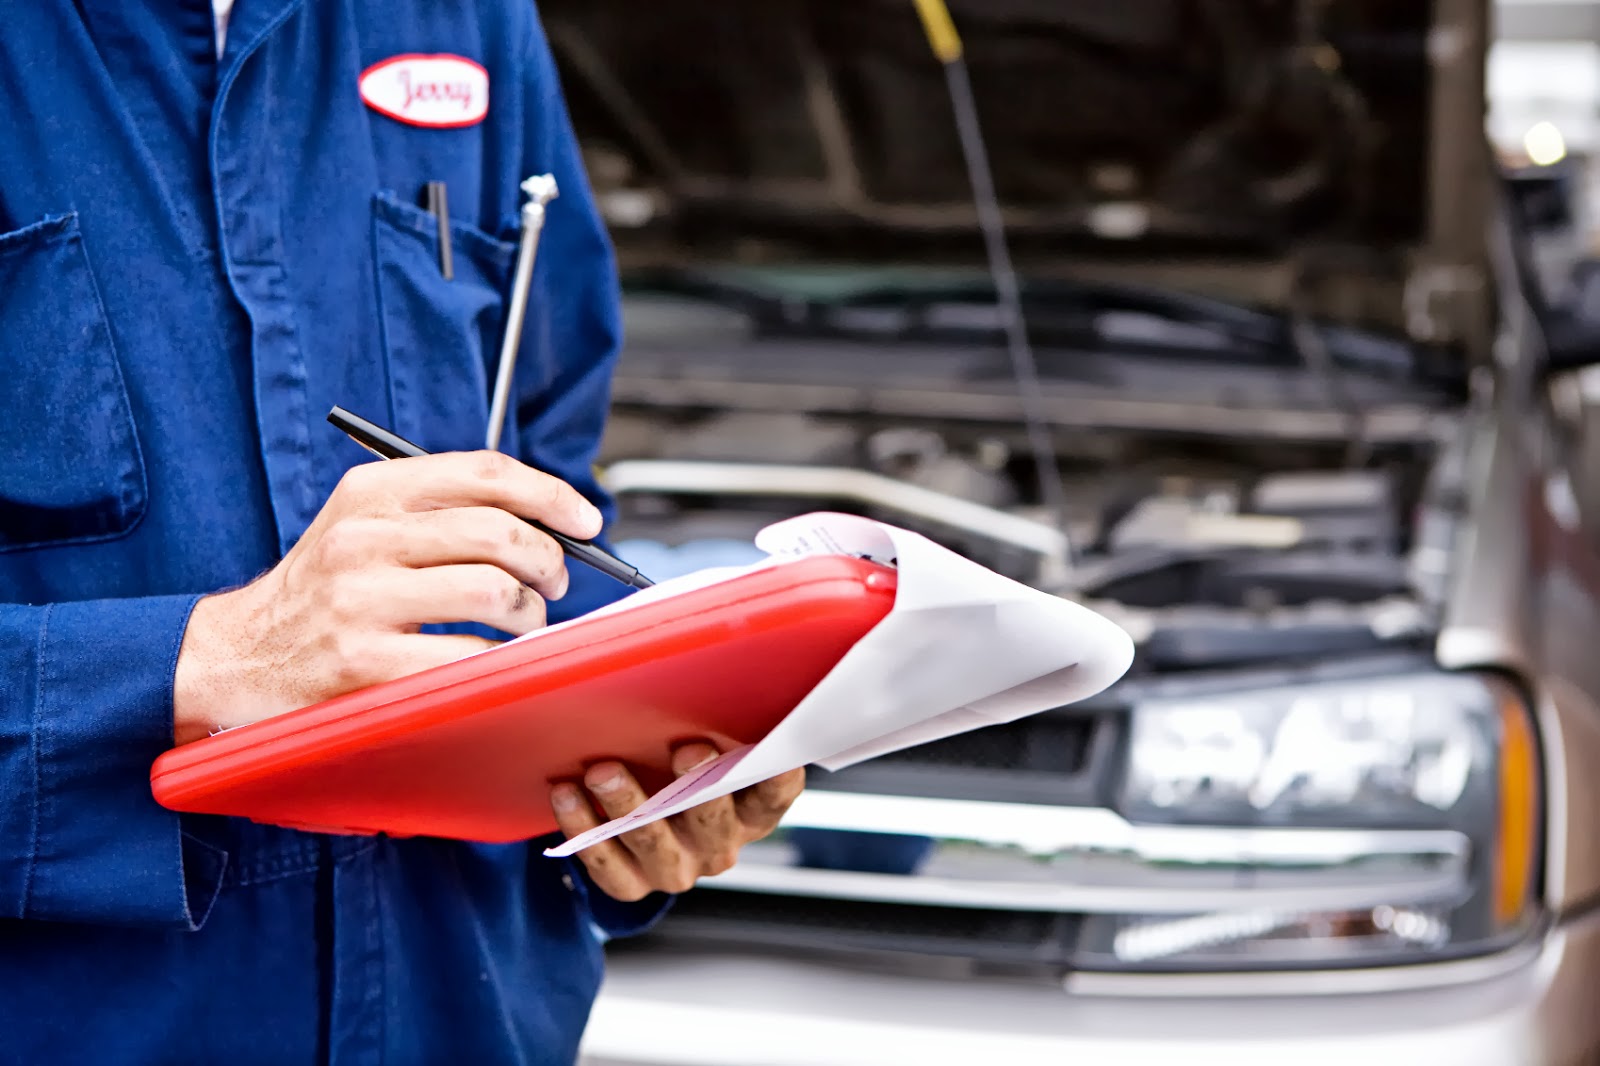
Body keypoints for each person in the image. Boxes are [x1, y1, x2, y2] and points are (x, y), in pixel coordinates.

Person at [0, 1, 803, 1062]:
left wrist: (649, 761)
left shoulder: (468, 21)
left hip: (467, 1014)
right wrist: (206, 662)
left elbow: (548, 494)